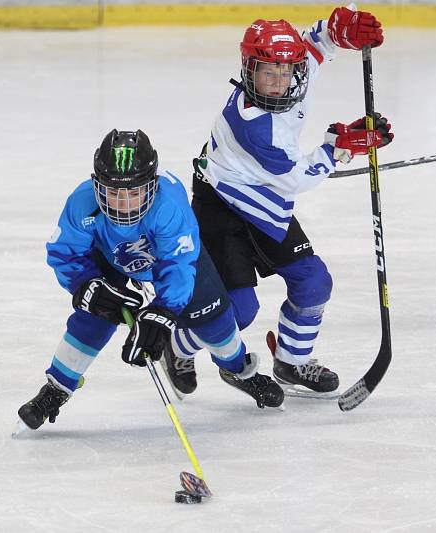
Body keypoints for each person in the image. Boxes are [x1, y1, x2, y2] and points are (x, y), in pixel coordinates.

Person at [161, 6, 393, 399]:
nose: (278, 81)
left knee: (313, 281)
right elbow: (295, 179)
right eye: (268, 72)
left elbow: (317, 43)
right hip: (222, 203)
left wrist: (342, 29)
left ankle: (291, 361)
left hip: (265, 201)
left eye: (285, 71)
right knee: (238, 310)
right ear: (249, 69)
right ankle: (178, 344)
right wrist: (340, 148)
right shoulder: (251, 124)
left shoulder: (295, 71)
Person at [18, 129, 285, 430]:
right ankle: (57, 387)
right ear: (97, 185)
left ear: (152, 186)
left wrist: (163, 314)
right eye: (113, 192)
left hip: (169, 260)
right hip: (110, 258)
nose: (123, 204)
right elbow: (65, 254)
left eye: (133, 192)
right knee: (95, 314)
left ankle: (238, 369)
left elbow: (178, 263)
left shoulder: (169, 204)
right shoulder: (81, 203)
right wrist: (85, 285)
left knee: (212, 317)